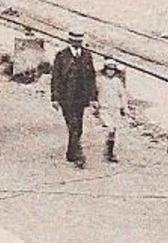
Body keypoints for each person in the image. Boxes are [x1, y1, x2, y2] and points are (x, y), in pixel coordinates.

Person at [50, 30, 98, 166]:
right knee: (73, 125)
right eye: (74, 41)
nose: (77, 44)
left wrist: (93, 97)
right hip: (66, 97)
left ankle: (71, 153)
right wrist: (54, 98)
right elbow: (56, 78)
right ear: (70, 41)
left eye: (79, 42)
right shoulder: (61, 56)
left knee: (79, 126)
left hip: (81, 97)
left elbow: (91, 78)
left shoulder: (87, 55)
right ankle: (78, 154)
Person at [94, 59, 129, 163]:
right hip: (104, 108)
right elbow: (94, 92)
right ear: (105, 69)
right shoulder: (99, 80)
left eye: (112, 70)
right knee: (110, 129)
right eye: (108, 69)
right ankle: (107, 151)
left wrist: (124, 107)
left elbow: (122, 95)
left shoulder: (117, 81)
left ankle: (110, 152)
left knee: (114, 131)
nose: (110, 71)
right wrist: (94, 103)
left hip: (115, 108)